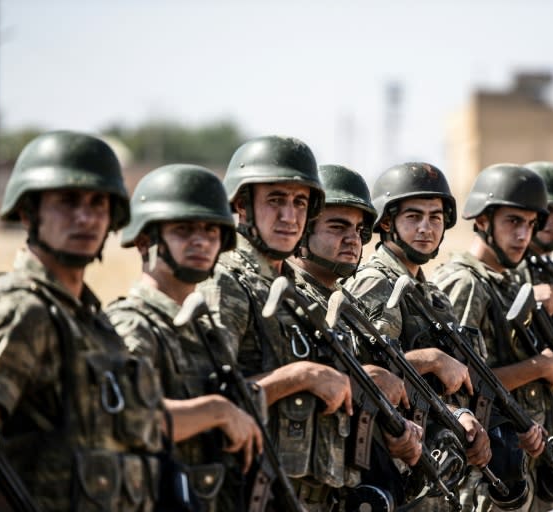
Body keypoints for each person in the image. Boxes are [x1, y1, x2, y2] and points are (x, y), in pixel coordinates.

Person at [0, 130, 249, 510]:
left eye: (98, 204)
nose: (85, 217)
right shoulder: (23, 310)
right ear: (29, 214)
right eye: (67, 202)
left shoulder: (93, 324)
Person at [198, 135, 381, 510]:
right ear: (242, 206)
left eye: (300, 203)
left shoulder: (296, 290)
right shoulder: (227, 280)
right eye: (275, 201)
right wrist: (301, 377)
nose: (289, 216)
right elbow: (210, 402)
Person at [345, 162, 540, 511]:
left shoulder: (429, 293)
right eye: (414, 217)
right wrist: (432, 359)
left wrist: (471, 422)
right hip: (400, 467)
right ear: (386, 222)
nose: (426, 228)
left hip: (438, 468)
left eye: (435, 218)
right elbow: (367, 373)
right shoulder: (377, 282)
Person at [432, 163, 553, 511]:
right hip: (487, 472)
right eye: (513, 221)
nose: (523, 234)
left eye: (530, 224)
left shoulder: (506, 281)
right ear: (483, 222)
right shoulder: (465, 283)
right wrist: (539, 367)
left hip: (524, 458)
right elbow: (459, 382)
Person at [107, 164, 265, 511]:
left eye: (210, 230)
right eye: (183, 229)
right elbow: (125, 423)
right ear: (145, 240)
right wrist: (217, 411)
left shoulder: (202, 328)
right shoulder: (133, 325)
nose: (201, 240)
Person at [289, 163, 423, 505]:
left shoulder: (341, 301)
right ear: (303, 232)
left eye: (360, 230)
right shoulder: (288, 295)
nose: (353, 238)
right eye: (337, 226)